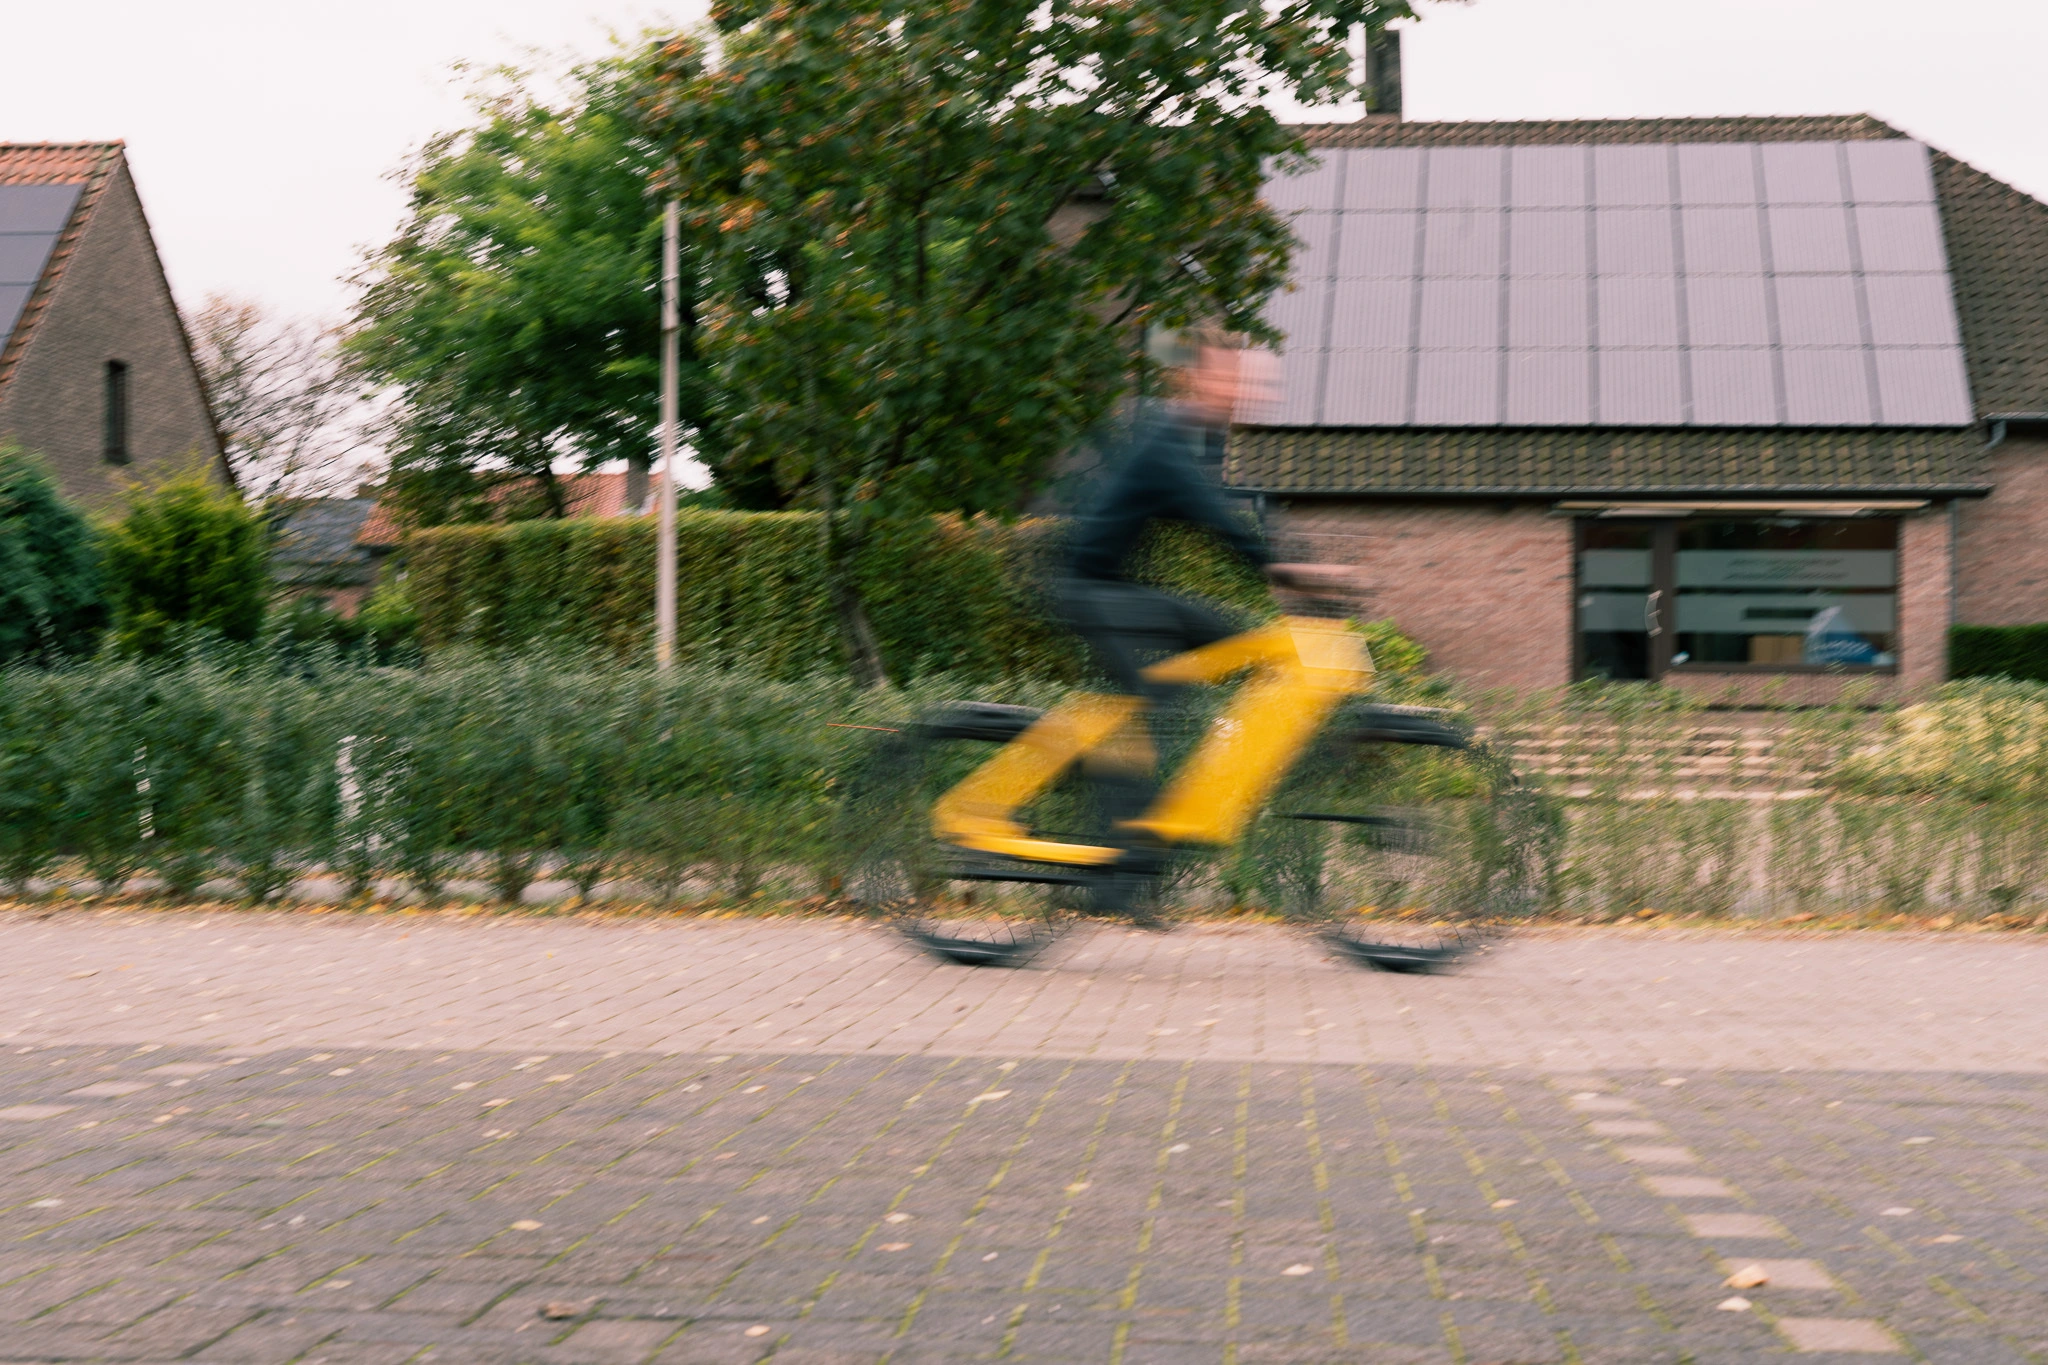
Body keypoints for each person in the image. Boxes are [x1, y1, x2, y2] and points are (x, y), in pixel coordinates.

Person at [1057, 328, 1349, 836]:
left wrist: (1289, 564)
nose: (1246, 390)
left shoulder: (1188, 438)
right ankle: (1120, 869)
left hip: (1117, 590)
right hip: (1090, 590)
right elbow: (1219, 519)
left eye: (1249, 380)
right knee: (1157, 706)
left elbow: (1232, 517)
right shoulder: (1165, 440)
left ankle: (1184, 810)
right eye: (1233, 377)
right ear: (1196, 379)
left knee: (1237, 638)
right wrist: (1287, 570)